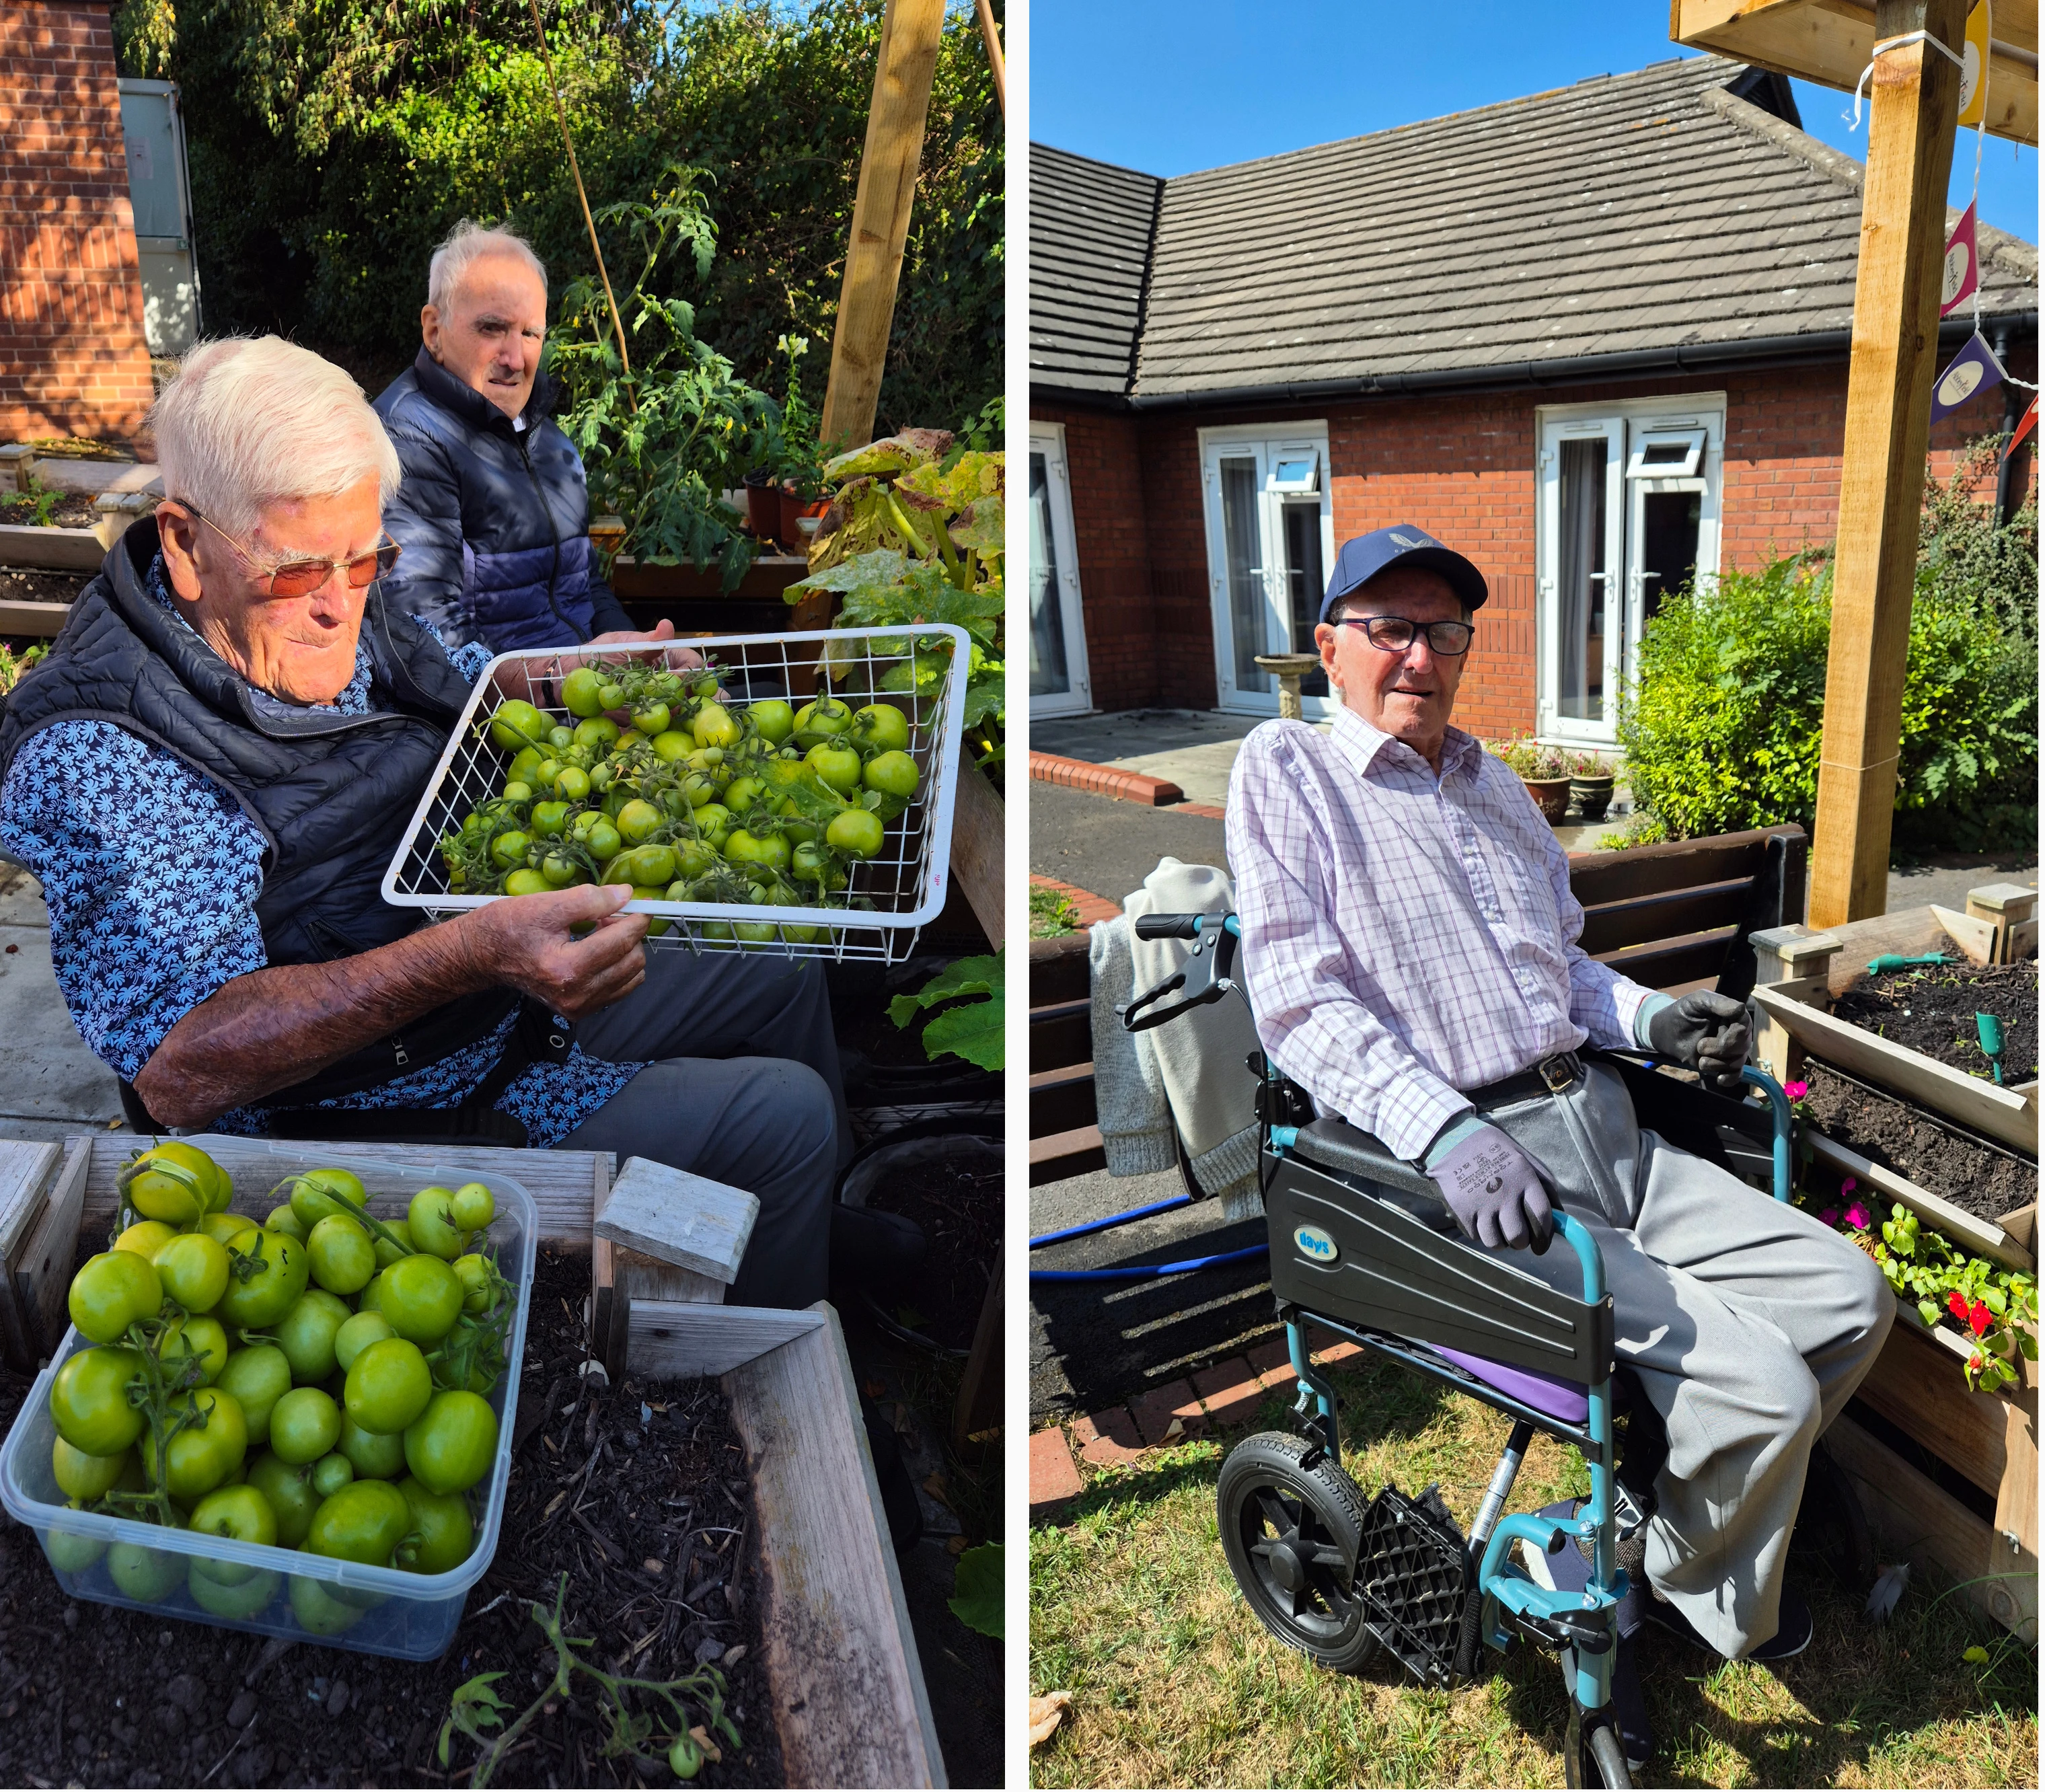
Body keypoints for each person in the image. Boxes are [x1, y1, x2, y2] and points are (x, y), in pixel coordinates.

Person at [1223, 524, 1892, 1762]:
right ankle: (1698, 1578)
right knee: (1768, 1386)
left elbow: (1561, 967)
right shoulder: (1290, 772)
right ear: (1330, 646)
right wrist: (1448, 1131)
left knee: (1849, 1296)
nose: (1421, 655)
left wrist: (1651, 1017)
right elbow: (1301, 1007)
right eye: (1391, 627)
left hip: (1601, 1119)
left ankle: (1661, 1539)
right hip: (1463, 1174)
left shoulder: (1491, 780)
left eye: (1446, 631)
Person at [0, 336, 842, 1308]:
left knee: (780, 965)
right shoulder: (102, 753)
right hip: (386, 1110)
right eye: (299, 573)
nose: (340, 607)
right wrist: (467, 954)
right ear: (185, 545)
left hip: (489, 1000)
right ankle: (732, 1363)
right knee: (789, 1121)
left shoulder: (345, 582)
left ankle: (797, 1218)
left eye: (367, 559)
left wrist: (570, 671)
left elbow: (460, 668)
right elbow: (182, 1069)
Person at [371, 219, 655, 655]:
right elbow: (421, 622)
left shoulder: (551, 443)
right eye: (491, 329)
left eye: (530, 333)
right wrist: (557, 683)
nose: (515, 358)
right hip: (497, 709)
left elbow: (585, 588)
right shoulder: (406, 439)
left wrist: (639, 654)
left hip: (581, 690)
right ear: (434, 331)